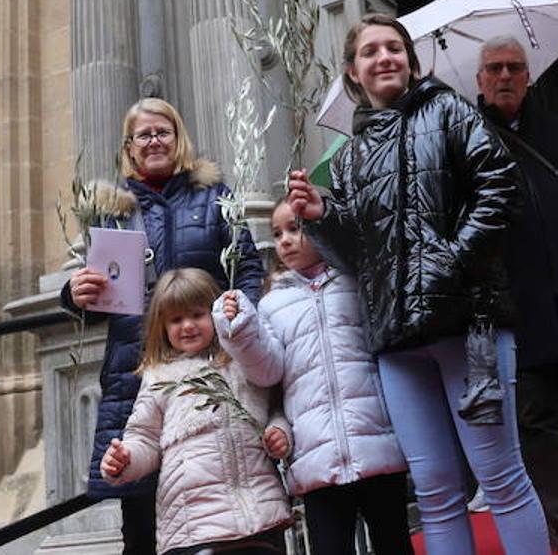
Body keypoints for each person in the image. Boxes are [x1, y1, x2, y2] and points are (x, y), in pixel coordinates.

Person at [286, 14, 549, 554]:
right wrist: (320, 217)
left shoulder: (450, 110)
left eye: (394, 48)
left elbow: (500, 187)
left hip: (467, 322)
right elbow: (356, 256)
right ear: (354, 72)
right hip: (397, 341)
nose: (385, 58)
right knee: (434, 492)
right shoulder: (352, 156)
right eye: (370, 52)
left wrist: (450, 262)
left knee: (500, 477)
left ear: (410, 59)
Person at [62, 97, 265, 553]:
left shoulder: (214, 197)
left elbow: (247, 268)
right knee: (141, 520)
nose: (153, 141)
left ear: (178, 138)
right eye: (143, 135)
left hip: (209, 374)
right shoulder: (112, 211)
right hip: (135, 378)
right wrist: (74, 294)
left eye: (162, 132)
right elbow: (103, 301)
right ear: (129, 148)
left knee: (219, 504)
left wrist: (238, 314)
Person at [214, 199, 414, 555]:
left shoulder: (355, 281)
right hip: (315, 457)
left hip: (376, 443)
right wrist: (240, 331)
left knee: (393, 542)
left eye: (296, 228)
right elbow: (268, 371)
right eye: (277, 234)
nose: (285, 240)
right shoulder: (272, 303)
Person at [475, 35, 558, 554]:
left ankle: (557, 520)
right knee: (535, 417)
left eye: (515, 67)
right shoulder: (467, 138)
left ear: (529, 76)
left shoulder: (557, 131)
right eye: (495, 68)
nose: (505, 76)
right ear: (480, 79)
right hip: (516, 306)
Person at [100, 268, 291, 554]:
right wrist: (125, 459)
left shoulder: (240, 361)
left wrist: (279, 432)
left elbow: (274, 407)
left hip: (257, 514)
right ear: (162, 327)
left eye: (197, 315)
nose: (187, 325)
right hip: (193, 523)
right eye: (176, 319)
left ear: (214, 313)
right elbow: (145, 437)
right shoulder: (159, 376)